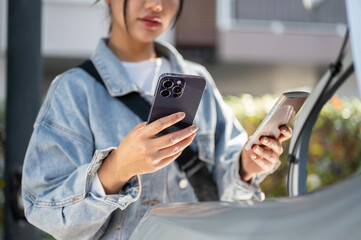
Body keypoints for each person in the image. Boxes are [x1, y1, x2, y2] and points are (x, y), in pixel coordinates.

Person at [22, 0, 292, 239]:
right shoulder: (74, 91)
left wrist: (247, 167)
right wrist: (116, 169)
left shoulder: (198, 80)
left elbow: (221, 196)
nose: (156, 5)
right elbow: (43, 208)